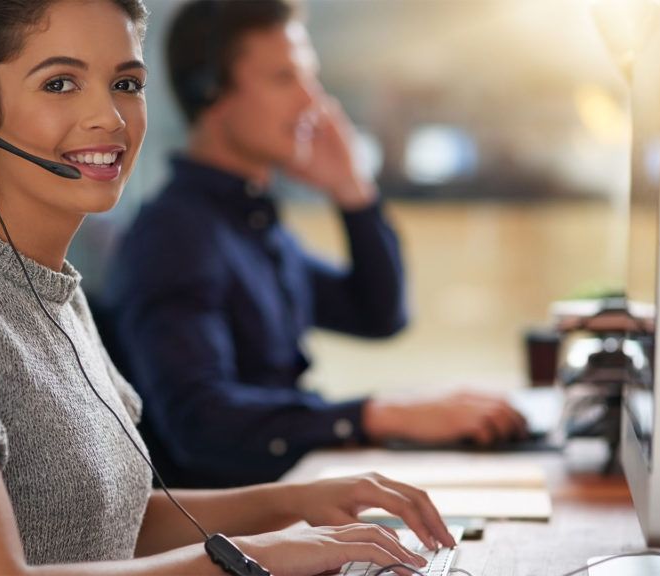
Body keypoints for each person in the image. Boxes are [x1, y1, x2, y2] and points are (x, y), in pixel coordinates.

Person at [0, 1, 456, 574]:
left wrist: (302, 501)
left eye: (126, 84)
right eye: (60, 83)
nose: (108, 116)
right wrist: (251, 559)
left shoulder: (59, 298)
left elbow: (108, 524)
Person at [106, 0, 529, 488]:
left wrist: (353, 193)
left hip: (287, 507)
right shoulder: (175, 236)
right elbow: (200, 424)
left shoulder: (252, 225)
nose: (314, 102)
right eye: (286, 78)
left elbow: (378, 313)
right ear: (210, 91)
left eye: (311, 78)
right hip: (237, 536)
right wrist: (377, 414)